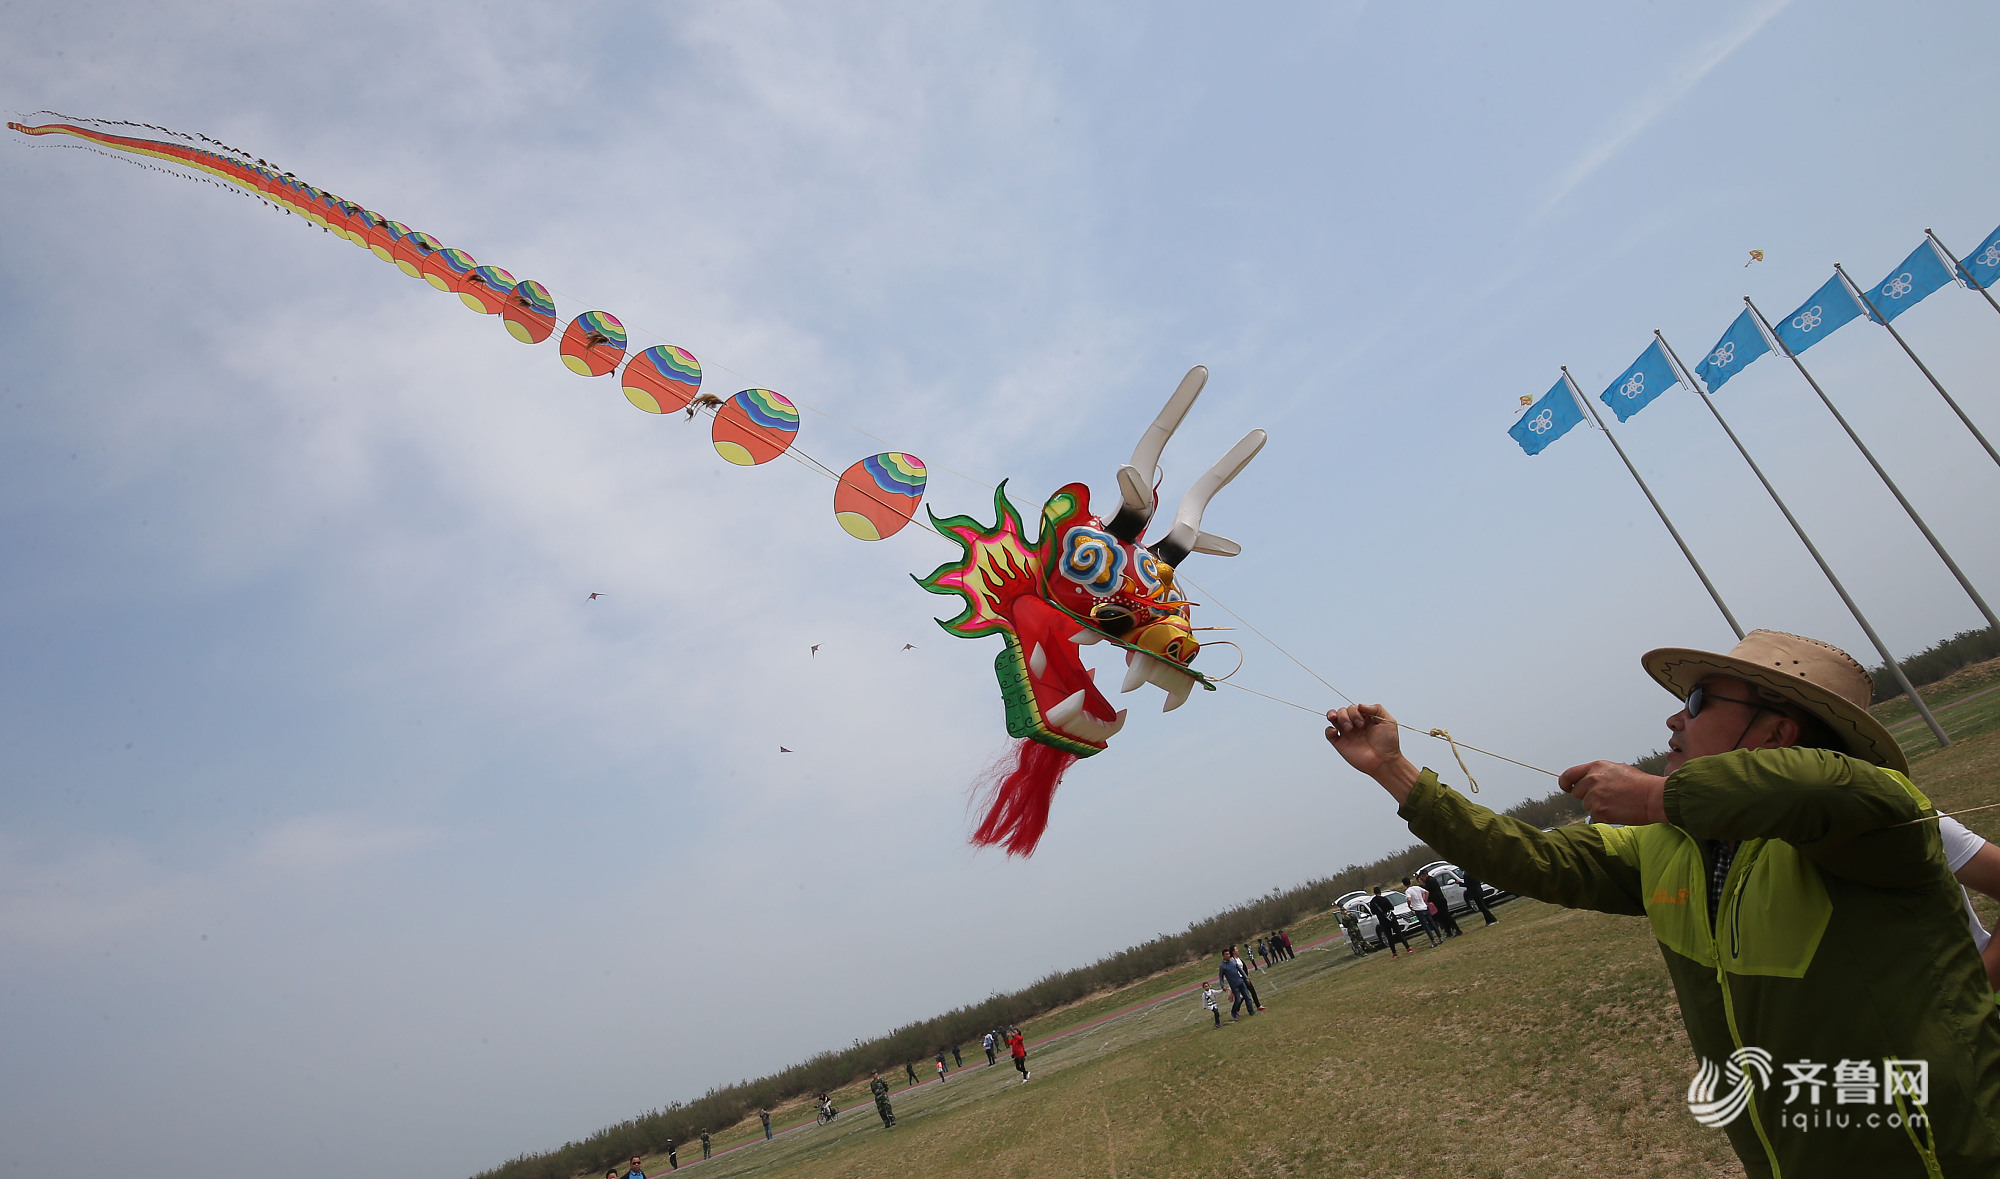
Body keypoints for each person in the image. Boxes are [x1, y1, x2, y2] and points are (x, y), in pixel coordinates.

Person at [1324, 629, 2000, 1176]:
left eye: (1701, 699)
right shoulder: (1669, 843)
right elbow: (1535, 859)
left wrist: (1653, 797)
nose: (1675, 716)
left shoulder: (1873, 813)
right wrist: (1394, 770)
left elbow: (1827, 787)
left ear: (1777, 733)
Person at [1367, 886, 1410, 956]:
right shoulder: (1384, 899)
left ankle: (1394, 953)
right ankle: (1408, 947)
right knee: (1399, 933)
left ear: (1374, 893)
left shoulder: (1372, 902)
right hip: (1391, 918)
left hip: (1382, 920)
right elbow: (1391, 907)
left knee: (1389, 936)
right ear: (1380, 892)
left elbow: (1373, 912)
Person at [1422, 870, 1463, 938]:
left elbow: (1428, 891)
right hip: (1439, 900)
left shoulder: (1430, 881)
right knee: (1443, 917)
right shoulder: (1432, 880)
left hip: (1439, 901)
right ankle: (1448, 932)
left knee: (1447, 916)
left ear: (1424, 875)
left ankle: (1457, 929)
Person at [1403, 876, 1442, 946]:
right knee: (1432, 923)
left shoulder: (1408, 891)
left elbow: (1409, 899)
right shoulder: (1417, 887)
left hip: (1418, 910)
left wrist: (1410, 906)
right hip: (1424, 907)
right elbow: (1426, 892)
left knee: (1426, 926)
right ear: (1410, 882)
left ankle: (1433, 941)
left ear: (1404, 885)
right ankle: (1440, 937)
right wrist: (1425, 900)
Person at [1218, 949, 1253, 1020]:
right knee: (1238, 1000)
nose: (1228, 955)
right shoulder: (1222, 966)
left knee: (1247, 997)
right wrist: (1222, 985)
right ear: (1223, 956)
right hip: (1234, 985)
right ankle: (1233, 1013)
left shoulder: (1233, 961)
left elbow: (1240, 970)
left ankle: (1251, 1011)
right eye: (1226, 954)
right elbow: (1221, 977)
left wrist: (1246, 978)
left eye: (1229, 954)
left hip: (1241, 982)